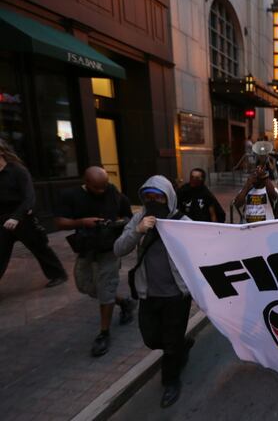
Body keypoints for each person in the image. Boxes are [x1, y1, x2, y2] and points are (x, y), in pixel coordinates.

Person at [114, 175, 194, 408]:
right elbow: (119, 249)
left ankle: (171, 381)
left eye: (157, 197)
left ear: (168, 197)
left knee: (170, 344)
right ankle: (182, 344)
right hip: (148, 293)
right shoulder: (140, 218)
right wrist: (137, 230)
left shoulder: (182, 221)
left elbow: (204, 248)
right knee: (151, 338)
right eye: (148, 197)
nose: (152, 201)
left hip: (177, 296)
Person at [55, 167, 136, 357]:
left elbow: (128, 216)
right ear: (87, 183)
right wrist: (82, 222)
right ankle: (124, 302)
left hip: (109, 249)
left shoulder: (113, 193)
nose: (102, 191)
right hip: (86, 248)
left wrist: (118, 223)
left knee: (106, 288)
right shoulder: (71, 195)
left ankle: (103, 333)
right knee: (85, 286)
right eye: (97, 188)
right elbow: (60, 222)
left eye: (104, 186)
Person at [0, 141, 68, 287]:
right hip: (2, 219)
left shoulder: (17, 171)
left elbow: (29, 197)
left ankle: (58, 275)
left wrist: (16, 217)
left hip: (22, 217)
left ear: (1, 152)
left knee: (40, 248)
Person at [234, 157, 278, 223]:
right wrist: (247, 185)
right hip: (248, 228)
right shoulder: (247, 189)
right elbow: (237, 204)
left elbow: (274, 196)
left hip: (267, 228)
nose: (257, 174)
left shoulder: (270, 188)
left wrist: (264, 177)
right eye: (255, 171)